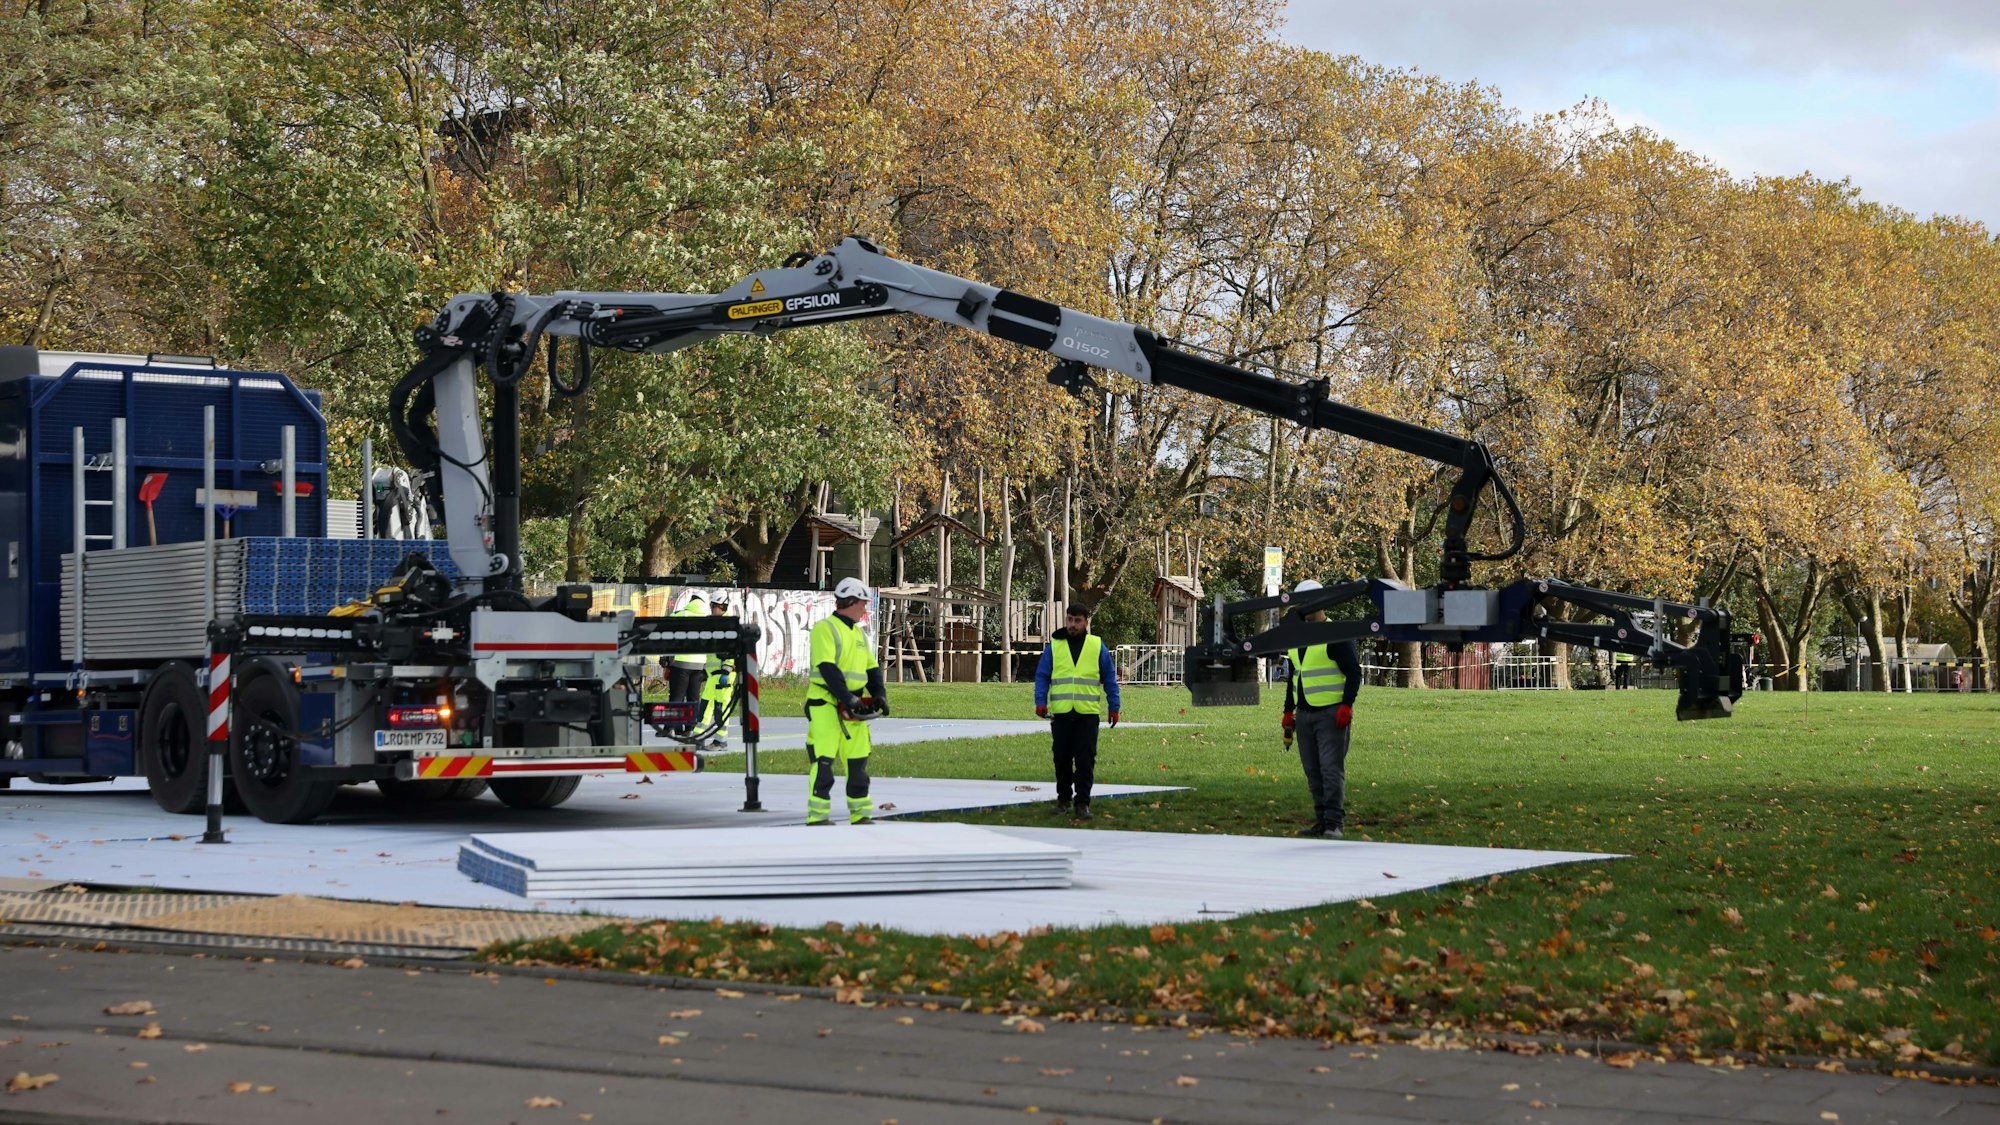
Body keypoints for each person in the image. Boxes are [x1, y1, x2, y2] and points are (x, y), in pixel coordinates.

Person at [1281, 579, 1361, 838]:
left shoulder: (1334, 634)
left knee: (1330, 769)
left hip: (1331, 714)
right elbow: (1295, 676)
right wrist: (1287, 711)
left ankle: (1334, 823)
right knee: (1313, 771)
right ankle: (1321, 821)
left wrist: (1347, 705)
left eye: (1305, 604)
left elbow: (1353, 672)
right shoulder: (1296, 638)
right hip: (1304, 715)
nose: (1301, 609)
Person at [805, 577, 887, 825]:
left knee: (859, 762)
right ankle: (817, 816)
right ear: (850, 602)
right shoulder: (825, 629)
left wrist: (880, 695)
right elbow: (828, 669)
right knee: (824, 762)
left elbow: (872, 670)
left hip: (854, 707)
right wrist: (847, 697)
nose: (865, 609)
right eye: (862, 604)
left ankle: (861, 813)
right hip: (825, 705)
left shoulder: (860, 633)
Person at [1034, 602, 1121, 821]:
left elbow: (1110, 678)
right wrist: (1040, 701)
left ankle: (1082, 803)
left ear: (1086, 622)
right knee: (1061, 758)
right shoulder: (1054, 647)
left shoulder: (1097, 646)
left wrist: (1114, 707)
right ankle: (1063, 800)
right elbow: (1042, 676)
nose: (1072, 625)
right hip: (1062, 713)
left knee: (1085, 760)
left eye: (1077, 620)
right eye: (1070, 619)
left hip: (1087, 714)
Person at [666, 593, 709, 735]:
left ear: (691, 601)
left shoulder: (679, 615)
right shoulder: (707, 618)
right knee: (693, 697)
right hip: (699, 664)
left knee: (677, 696)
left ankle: (672, 727)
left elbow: (667, 636)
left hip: (681, 663)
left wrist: (665, 658)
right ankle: (689, 729)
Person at [696, 596, 736, 749]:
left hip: (724, 675)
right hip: (714, 675)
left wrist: (726, 669)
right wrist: (706, 671)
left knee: (720, 709)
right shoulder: (718, 624)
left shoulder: (727, 625)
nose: (711, 608)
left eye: (713, 605)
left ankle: (720, 741)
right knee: (705, 707)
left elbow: (732, 650)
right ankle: (699, 739)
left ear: (720, 606)